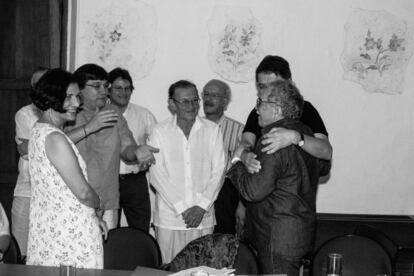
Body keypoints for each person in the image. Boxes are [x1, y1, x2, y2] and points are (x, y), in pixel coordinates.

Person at [227, 79, 331, 275]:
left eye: (260, 102)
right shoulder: (306, 134)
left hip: (276, 237)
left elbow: (253, 191)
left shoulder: (273, 139)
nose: (256, 109)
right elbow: (324, 168)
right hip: (298, 233)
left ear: (276, 109)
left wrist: (236, 163)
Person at [27, 68, 108, 268]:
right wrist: (98, 205)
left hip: (51, 229)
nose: (76, 103)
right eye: (68, 97)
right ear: (50, 98)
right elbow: (83, 192)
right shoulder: (54, 138)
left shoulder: (39, 131)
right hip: (70, 234)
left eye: (77, 97)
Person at [65, 64, 159, 230]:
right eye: (96, 86)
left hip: (107, 199)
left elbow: (126, 147)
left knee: (107, 251)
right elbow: (56, 143)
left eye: (105, 86)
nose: (103, 91)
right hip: (75, 197)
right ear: (79, 89)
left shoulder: (113, 113)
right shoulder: (68, 113)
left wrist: (136, 152)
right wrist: (89, 127)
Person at [149, 80, 225, 263]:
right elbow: (156, 174)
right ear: (172, 104)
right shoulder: (160, 131)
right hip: (170, 218)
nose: (191, 106)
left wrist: (201, 206)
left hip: (203, 217)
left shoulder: (212, 130)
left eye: (194, 100)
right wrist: (182, 208)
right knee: (169, 267)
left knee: (202, 268)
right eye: (184, 101)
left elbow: (220, 171)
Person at [235, 55, 332, 174]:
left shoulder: (306, 109)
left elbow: (326, 151)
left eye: (274, 85)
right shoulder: (258, 113)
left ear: (289, 83)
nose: (268, 91)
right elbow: (245, 143)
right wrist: (245, 156)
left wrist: (294, 137)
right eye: (262, 86)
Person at [108, 67, 157, 231]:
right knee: (109, 229)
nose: (123, 92)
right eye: (118, 88)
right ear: (108, 90)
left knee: (141, 228)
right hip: (108, 181)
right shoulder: (100, 114)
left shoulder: (144, 115)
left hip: (135, 182)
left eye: (127, 88)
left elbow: (157, 146)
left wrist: (148, 160)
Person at [12, 66, 49, 259]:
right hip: (27, 190)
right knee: (21, 252)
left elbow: (36, 146)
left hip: (52, 196)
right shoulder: (24, 114)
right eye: (37, 84)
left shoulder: (67, 114)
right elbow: (26, 150)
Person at [201, 79, 244, 235]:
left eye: (214, 95)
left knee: (223, 241)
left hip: (225, 194)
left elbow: (243, 173)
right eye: (206, 94)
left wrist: (242, 204)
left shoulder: (239, 130)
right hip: (198, 189)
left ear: (225, 102)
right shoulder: (194, 127)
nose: (208, 99)